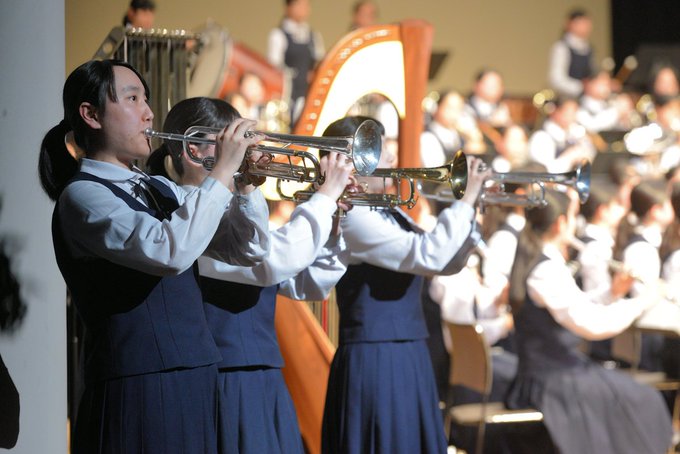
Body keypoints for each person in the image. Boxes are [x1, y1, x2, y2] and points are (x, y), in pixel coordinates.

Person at [38, 60, 270, 453]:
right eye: (132, 98)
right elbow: (169, 251)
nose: (148, 112)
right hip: (137, 382)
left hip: (196, 372)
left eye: (146, 98)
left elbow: (246, 249)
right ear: (90, 114)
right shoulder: (83, 195)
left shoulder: (160, 187)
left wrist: (245, 187)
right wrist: (224, 168)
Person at [146, 96, 353, 453]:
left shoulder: (237, 209)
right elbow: (272, 262)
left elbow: (309, 284)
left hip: (263, 375)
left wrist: (332, 224)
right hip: (227, 380)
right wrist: (324, 198)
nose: (245, 152)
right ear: (192, 148)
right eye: (233, 142)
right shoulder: (183, 212)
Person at [320, 116, 490, 454]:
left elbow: (443, 263)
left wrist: (472, 212)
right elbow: (427, 254)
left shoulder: (387, 211)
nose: (393, 161)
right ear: (350, 162)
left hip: (408, 349)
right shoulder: (354, 217)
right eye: (381, 152)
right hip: (377, 355)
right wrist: (464, 202)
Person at [505, 187, 672, 453]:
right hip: (552, 380)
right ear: (561, 223)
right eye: (573, 215)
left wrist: (613, 292)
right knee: (643, 400)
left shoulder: (543, 261)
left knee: (639, 398)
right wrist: (642, 301)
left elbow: (579, 305)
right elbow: (591, 325)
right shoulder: (545, 268)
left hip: (560, 372)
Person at [267, 0, 325, 125]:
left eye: (306, 5)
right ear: (288, 7)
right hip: (288, 96)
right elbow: (274, 68)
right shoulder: (278, 35)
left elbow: (320, 62)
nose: (303, 9)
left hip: (309, 95)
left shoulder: (314, 36)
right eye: (299, 4)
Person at [528, 97, 595, 173]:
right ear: (554, 111)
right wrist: (570, 156)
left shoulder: (574, 133)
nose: (573, 117)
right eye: (568, 113)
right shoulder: (541, 137)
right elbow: (545, 171)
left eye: (575, 113)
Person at [421, 90, 485, 168]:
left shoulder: (461, 135)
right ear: (437, 108)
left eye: (459, 108)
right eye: (450, 108)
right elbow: (436, 169)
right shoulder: (427, 137)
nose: (454, 113)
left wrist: (474, 140)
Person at [547, 8, 596, 98]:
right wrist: (581, 87)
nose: (586, 26)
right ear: (570, 24)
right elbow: (556, 79)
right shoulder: (561, 47)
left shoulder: (588, 48)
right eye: (581, 22)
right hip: (568, 99)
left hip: (586, 98)